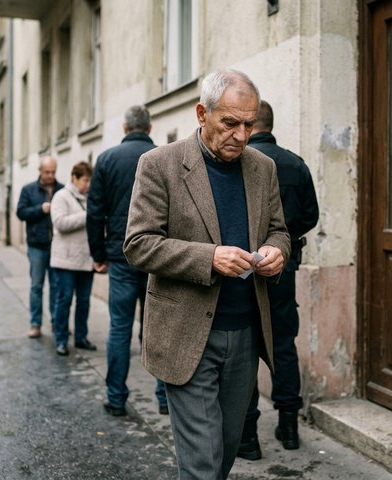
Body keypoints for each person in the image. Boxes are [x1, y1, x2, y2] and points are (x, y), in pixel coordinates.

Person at [123, 69, 290, 479]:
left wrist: (276, 251)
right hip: (186, 335)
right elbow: (138, 244)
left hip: (246, 333)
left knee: (226, 451)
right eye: (229, 123)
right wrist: (208, 258)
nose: (241, 135)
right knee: (202, 465)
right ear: (202, 113)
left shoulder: (262, 168)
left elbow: (280, 230)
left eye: (249, 124)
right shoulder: (158, 164)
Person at [237, 100, 319, 460]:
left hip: (241, 270)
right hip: (283, 271)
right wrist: (282, 244)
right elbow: (310, 216)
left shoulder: (238, 162)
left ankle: (248, 436)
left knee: (245, 351)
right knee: (283, 345)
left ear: (251, 124)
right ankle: (289, 427)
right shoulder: (295, 164)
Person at [86, 105, 168, 416]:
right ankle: (163, 398)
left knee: (119, 326)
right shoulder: (164, 157)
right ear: (149, 128)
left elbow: (95, 213)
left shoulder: (106, 160)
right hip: (157, 257)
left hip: (120, 255)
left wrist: (98, 255)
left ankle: (116, 398)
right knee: (158, 327)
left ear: (124, 128)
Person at [50, 161, 97, 356]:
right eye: (85, 180)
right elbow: (60, 223)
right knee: (64, 300)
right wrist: (87, 216)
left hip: (86, 259)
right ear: (74, 178)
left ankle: (81, 337)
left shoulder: (90, 198)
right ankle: (61, 339)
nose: (87, 184)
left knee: (84, 301)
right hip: (65, 260)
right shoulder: (61, 196)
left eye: (89, 181)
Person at [16, 156, 64, 339]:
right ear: (40, 171)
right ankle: (35, 324)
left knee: (56, 286)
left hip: (57, 245)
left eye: (53, 172)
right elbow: (20, 213)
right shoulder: (28, 190)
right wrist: (40, 209)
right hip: (36, 246)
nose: (50, 175)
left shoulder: (61, 190)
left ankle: (55, 322)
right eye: (47, 172)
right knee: (36, 286)